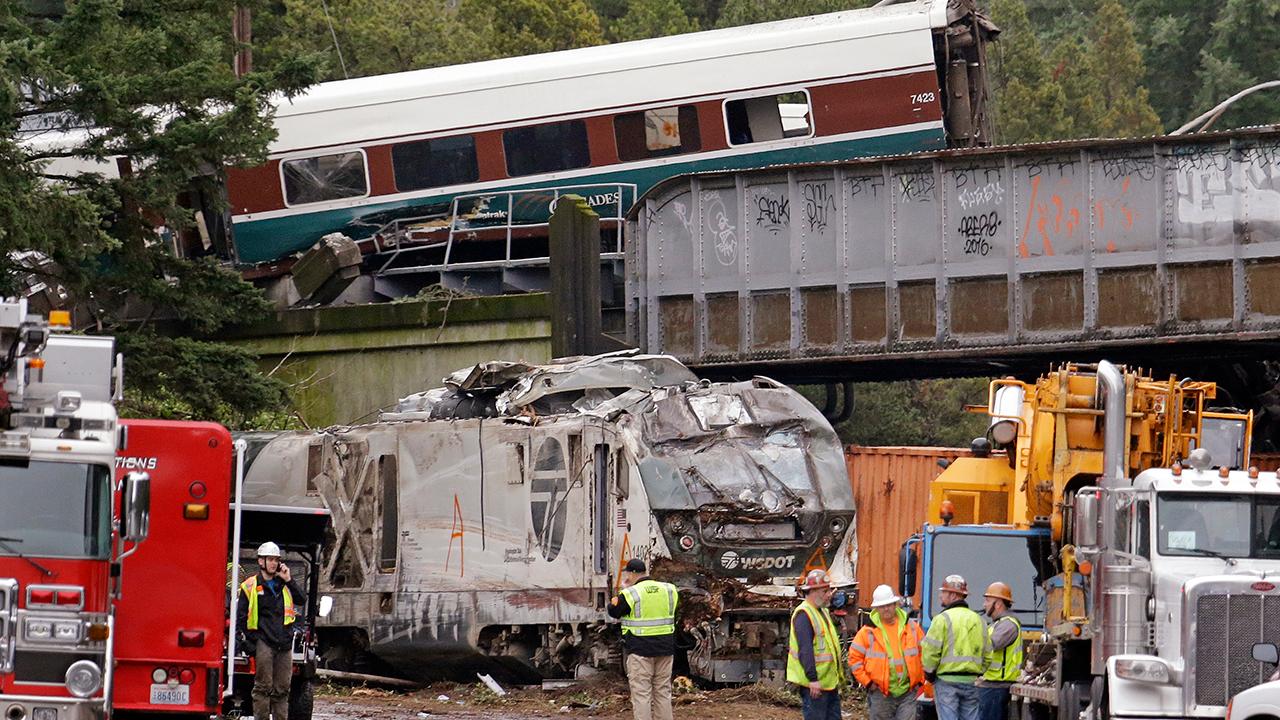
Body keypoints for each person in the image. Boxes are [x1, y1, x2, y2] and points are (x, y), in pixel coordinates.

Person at [237, 541, 306, 720]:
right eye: (270, 559)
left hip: (284, 643)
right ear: (261, 562)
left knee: (282, 689)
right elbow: (242, 617)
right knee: (263, 687)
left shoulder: (284, 584)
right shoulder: (250, 586)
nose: (274, 563)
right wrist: (250, 642)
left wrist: (289, 580)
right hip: (264, 643)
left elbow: (301, 599)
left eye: (276, 560)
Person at [608, 558, 678, 720]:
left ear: (632, 574)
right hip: (665, 649)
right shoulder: (669, 590)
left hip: (640, 651)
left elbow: (614, 612)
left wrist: (614, 601)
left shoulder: (631, 593)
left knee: (642, 693)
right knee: (663, 692)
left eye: (627, 574)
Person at [850, 585, 927, 720]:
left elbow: (925, 654)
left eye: (889, 605)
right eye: (882, 606)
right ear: (876, 609)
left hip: (908, 693)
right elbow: (854, 660)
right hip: (881, 694)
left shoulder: (912, 627)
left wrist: (920, 680)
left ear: (895, 605)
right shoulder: (867, 631)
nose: (886, 609)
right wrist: (868, 683)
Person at [921, 574, 986, 720]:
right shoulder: (979, 621)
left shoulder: (941, 619)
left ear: (952, 595)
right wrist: (978, 672)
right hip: (971, 681)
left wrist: (929, 674)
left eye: (943, 592)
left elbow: (930, 651)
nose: (940, 596)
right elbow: (987, 654)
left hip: (946, 682)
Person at [787, 569, 846, 720]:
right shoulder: (804, 615)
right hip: (815, 686)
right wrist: (812, 679)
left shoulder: (821, 611)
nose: (829, 594)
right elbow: (805, 650)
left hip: (828, 684)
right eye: (825, 590)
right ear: (813, 591)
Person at [978, 582, 1023, 720]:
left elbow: (989, 645)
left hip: (996, 687)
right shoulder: (996, 624)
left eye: (987, 600)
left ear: (998, 604)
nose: (984, 604)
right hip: (990, 685)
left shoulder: (1008, 625)